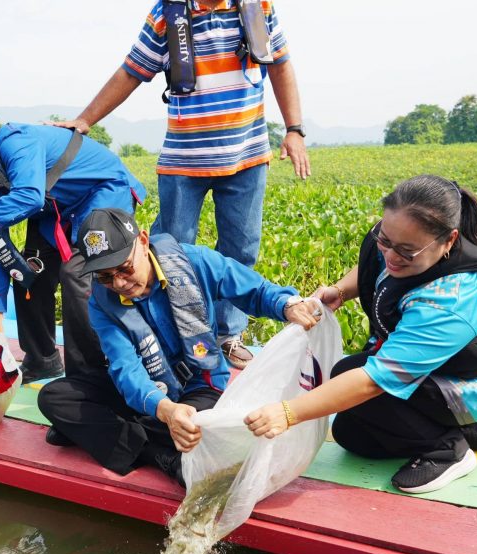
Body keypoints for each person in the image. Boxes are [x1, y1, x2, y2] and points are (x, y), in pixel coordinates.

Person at [244, 175, 477, 494]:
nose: (391, 255)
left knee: (353, 381)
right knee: (351, 434)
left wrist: (288, 412)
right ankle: (459, 428)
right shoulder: (402, 236)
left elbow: (374, 381)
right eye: (384, 240)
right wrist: (341, 291)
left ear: (448, 240)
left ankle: (448, 448)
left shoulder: (454, 300)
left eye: (406, 251)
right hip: (435, 373)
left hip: (469, 385)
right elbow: (377, 265)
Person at [53, 0, 310, 371]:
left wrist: (294, 129)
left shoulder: (256, 7)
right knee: (167, 247)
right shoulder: (167, 13)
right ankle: (162, 334)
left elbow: (281, 64)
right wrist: (84, 119)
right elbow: (131, 71)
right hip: (183, 160)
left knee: (240, 250)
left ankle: (227, 335)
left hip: (246, 155)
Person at [37, 207, 319, 483]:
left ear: (144, 241)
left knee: (198, 426)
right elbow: (125, 368)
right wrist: (165, 410)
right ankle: (157, 454)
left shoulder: (195, 262)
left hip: (199, 387)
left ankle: (100, 435)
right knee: (55, 396)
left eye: (124, 268)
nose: (119, 283)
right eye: (105, 277)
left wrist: (287, 305)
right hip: (147, 392)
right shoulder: (101, 301)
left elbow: (254, 290)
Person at [0, 107, 147, 380]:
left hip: (102, 193)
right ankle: (41, 360)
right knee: (26, 271)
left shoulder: (14, 141)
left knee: (77, 275)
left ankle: (89, 377)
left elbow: (29, 197)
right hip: (55, 211)